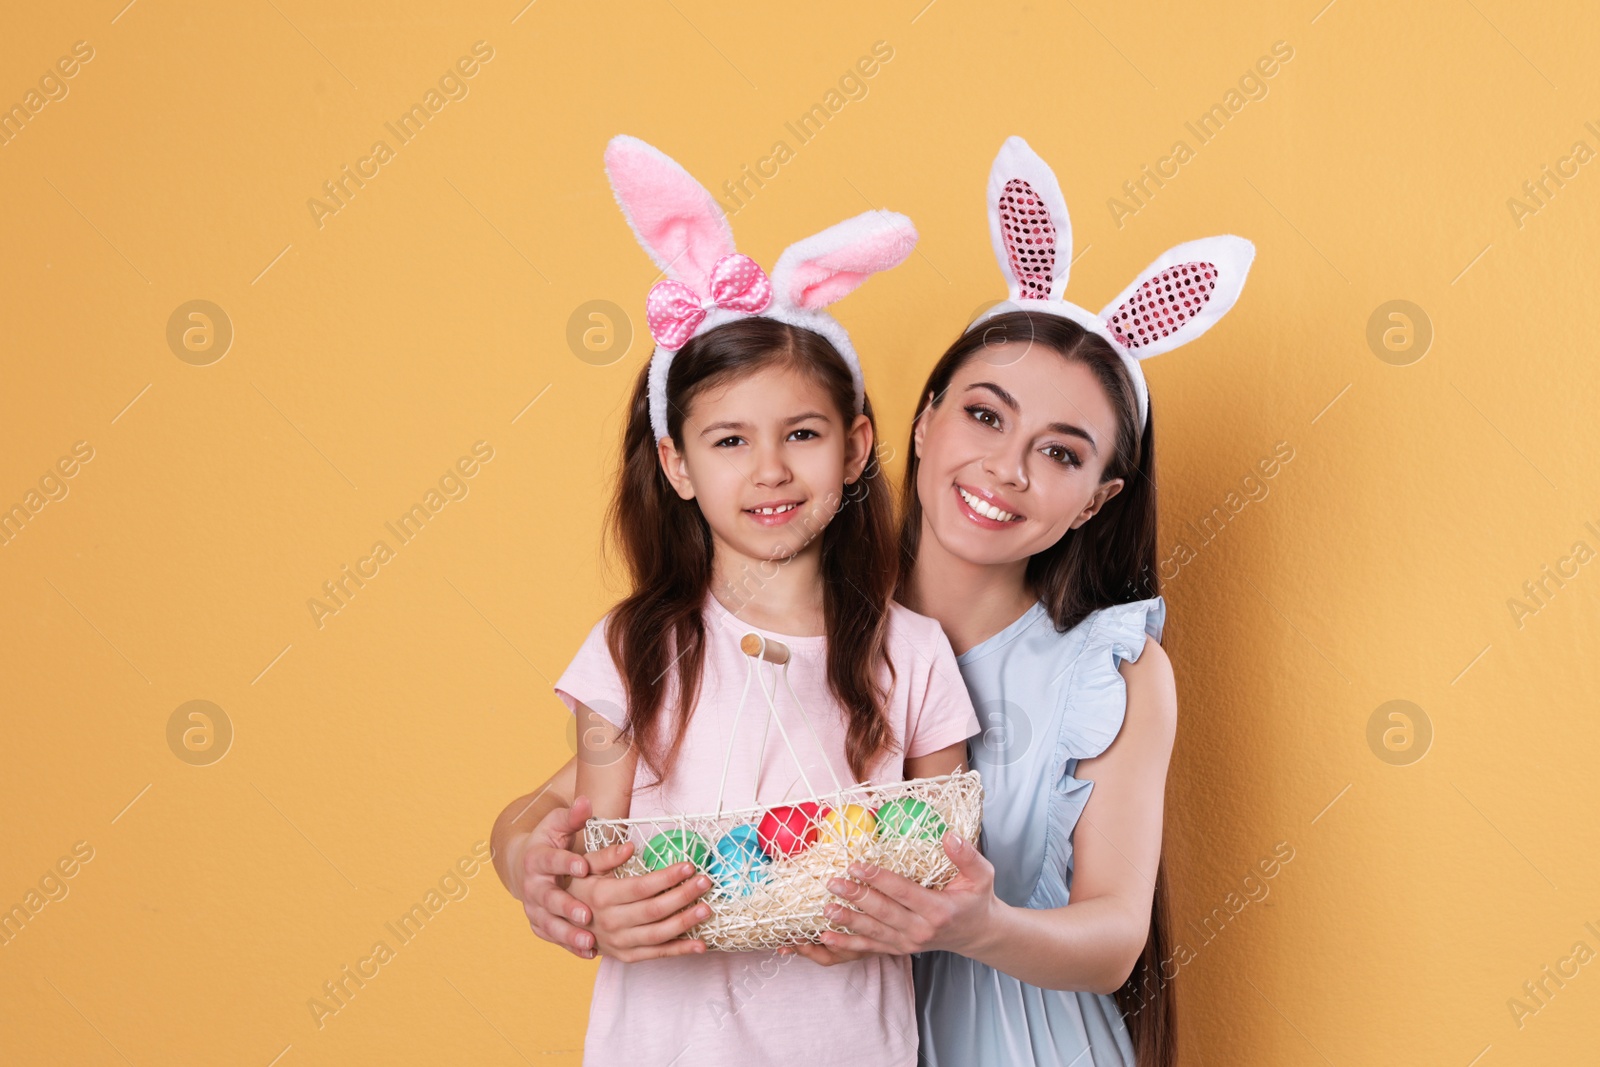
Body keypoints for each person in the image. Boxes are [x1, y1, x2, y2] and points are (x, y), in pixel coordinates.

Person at [498, 136, 1257, 1067]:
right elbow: (554, 809)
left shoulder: (1109, 669)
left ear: (1098, 496)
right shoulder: (792, 616)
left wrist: (972, 924)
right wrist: (534, 872)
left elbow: (1112, 940)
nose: (1006, 468)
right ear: (923, 421)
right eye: (985, 414)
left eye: (1062, 452)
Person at [546, 134, 981, 1067]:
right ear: (676, 463)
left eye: (803, 433)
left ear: (857, 447)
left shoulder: (915, 654)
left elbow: (942, 855)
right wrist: (595, 901)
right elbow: (590, 848)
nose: (772, 468)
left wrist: (905, 906)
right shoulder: (629, 649)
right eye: (730, 440)